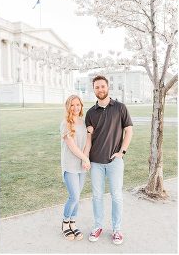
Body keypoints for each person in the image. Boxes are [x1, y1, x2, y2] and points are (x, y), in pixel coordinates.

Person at [85, 75, 132, 245]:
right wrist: (86, 158)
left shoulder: (120, 107)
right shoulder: (90, 113)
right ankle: (98, 226)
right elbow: (89, 139)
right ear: (94, 89)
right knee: (97, 196)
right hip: (96, 163)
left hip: (114, 162)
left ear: (108, 87)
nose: (100, 89)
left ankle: (117, 230)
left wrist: (122, 151)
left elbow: (129, 131)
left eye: (102, 86)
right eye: (97, 87)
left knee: (116, 196)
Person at [59, 95, 91, 241]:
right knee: (75, 196)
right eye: (72, 105)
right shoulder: (65, 123)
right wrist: (85, 159)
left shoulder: (84, 123)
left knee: (77, 198)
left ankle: (73, 222)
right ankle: (65, 223)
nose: (76, 107)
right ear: (68, 107)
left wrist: (85, 159)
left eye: (78, 104)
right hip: (70, 165)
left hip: (81, 166)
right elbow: (72, 147)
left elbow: (87, 143)